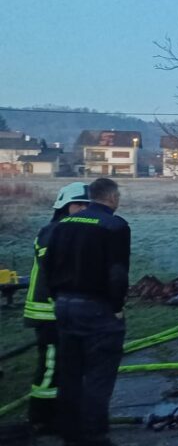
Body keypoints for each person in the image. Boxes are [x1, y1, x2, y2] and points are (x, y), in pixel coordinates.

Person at [47, 177, 131, 446]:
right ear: (112, 197)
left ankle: (70, 438)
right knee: (98, 377)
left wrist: (58, 298)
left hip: (64, 306)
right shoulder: (115, 226)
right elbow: (117, 272)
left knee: (69, 375)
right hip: (97, 310)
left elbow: (48, 266)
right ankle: (95, 442)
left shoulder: (62, 225)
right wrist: (117, 306)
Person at [23, 182, 92, 431]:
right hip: (47, 310)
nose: (82, 209)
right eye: (78, 204)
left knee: (67, 363)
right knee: (52, 364)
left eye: (86, 205)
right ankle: (41, 417)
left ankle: (63, 411)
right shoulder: (53, 231)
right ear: (64, 206)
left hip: (66, 310)